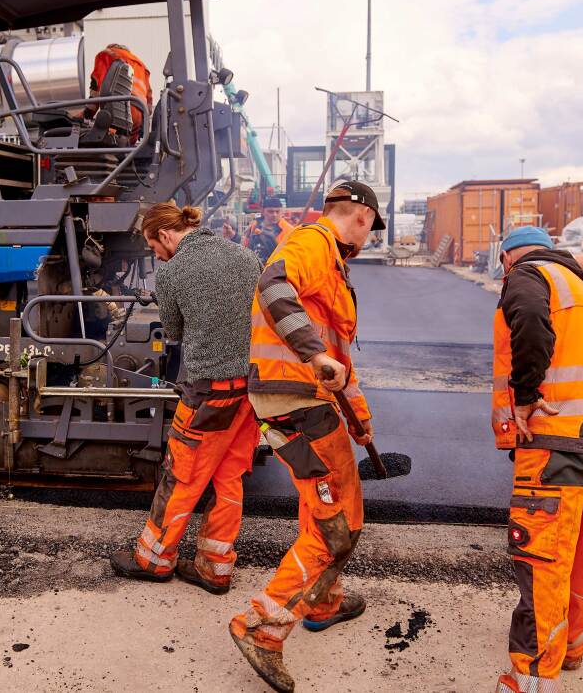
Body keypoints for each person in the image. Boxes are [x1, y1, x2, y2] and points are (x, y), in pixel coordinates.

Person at [229, 180, 385, 692]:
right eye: (371, 229)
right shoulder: (313, 244)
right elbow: (273, 287)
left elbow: (339, 358)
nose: (368, 240)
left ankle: (323, 600)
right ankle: (262, 627)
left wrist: (360, 422)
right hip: (298, 402)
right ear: (360, 218)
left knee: (319, 507)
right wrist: (312, 354)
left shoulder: (333, 270)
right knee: (337, 524)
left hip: (298, 404)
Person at [492, 226, 583, 693]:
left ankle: (530, 675)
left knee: (540, 555)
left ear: (507, 256)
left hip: (557, 440)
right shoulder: (579, 289)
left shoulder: (529, 275)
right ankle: (570, 647)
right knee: (578, 553)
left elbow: (527, 319)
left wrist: (525, 396)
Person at [110, 202, 263, 595]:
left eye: (152, 245)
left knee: (182, 474)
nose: (155, 255)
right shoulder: (246, 257)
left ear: (164, 234)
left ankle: (154, 560)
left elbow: (173, 333)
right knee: (230, 477)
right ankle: (215, 566)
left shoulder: (174, 272)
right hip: (249, 389)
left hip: (206, 392)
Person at [85, 43, 152, 141]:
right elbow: (149, 101)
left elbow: (96, 85)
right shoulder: (141, 66)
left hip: (117, 113)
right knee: (126, 149)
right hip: (139, 119)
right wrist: (143, 124)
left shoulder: (107, 54)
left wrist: (87, 114)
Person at [244, 196, 286, 263]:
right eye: (270, 211)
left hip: (276, 269)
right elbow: (245, 247)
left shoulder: (288, 230)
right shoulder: (254, 226)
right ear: (263, 211)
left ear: (281, 212)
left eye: (277, 211)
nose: (274, 215)